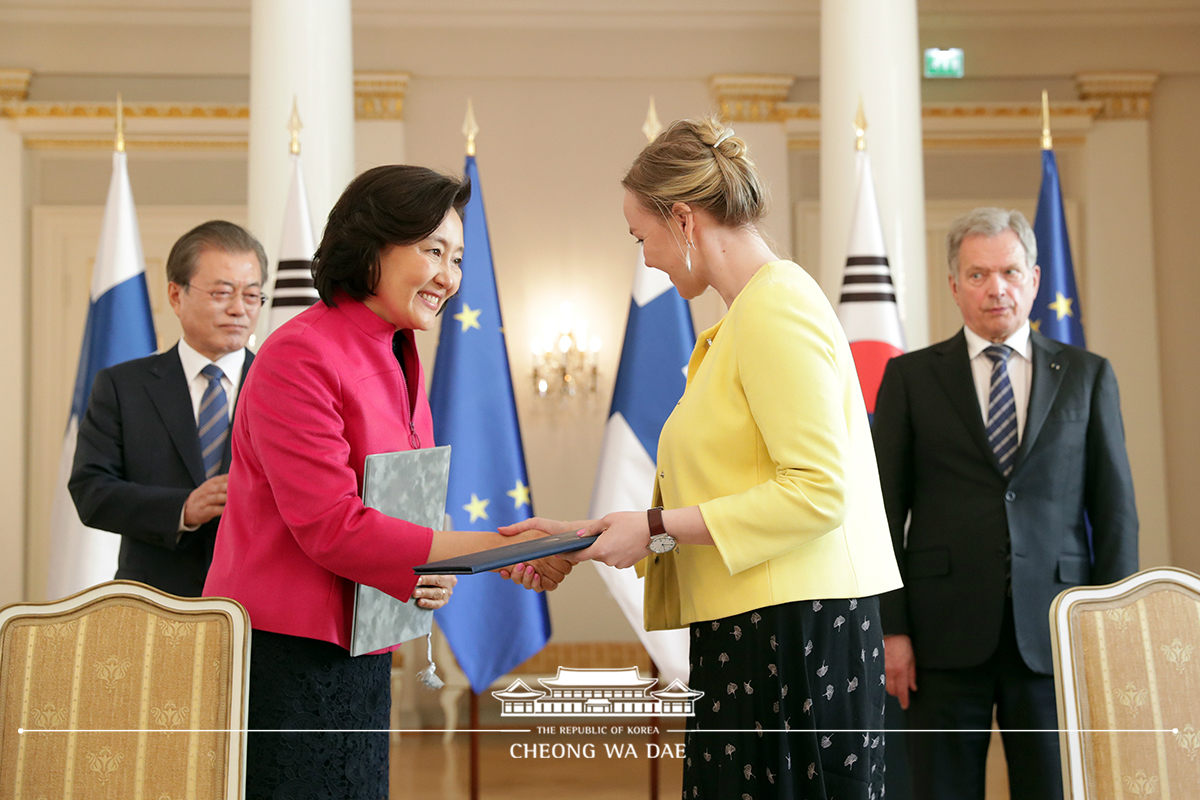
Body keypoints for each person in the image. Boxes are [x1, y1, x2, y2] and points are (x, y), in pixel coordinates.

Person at [504, 118, 902, 800]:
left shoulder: (777, 306)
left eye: (642, 237)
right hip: (759, 630)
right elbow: (723, 488)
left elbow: (817, 492)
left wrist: (653, 526)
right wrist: (585, 540)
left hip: (796, 638)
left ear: (683, 219)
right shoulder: (739, 321)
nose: (647, 257)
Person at [202, 165, 568, 800]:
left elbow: (402, 508)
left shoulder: (400, 351)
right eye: (432, 251)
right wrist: (502, 550)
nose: (449, 277)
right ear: (373, 242)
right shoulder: (301, 353)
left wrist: (430, 569)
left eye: (456, 258)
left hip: (362, 653)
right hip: (284, 658)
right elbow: (332, 526)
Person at [872, 207, 1138, 800]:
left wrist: (1108, 633)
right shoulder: (909, 378)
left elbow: (1115, 512)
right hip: (940, 638)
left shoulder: (1088, 377)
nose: (997, 288)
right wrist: (892, 629)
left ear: (1035, 279)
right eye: (978, 274)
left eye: (1011, 272)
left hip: (1055, 634)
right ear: (953, 285)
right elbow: (883, 514)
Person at [69, 220, 266, 597]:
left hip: (257, 604)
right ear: (176, 296)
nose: (239, 309)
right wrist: (183, 509)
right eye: (223, 293)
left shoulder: (284, 387)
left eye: (252, 295)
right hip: (152, 600)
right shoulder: (122, 386)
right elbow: (90, 491)